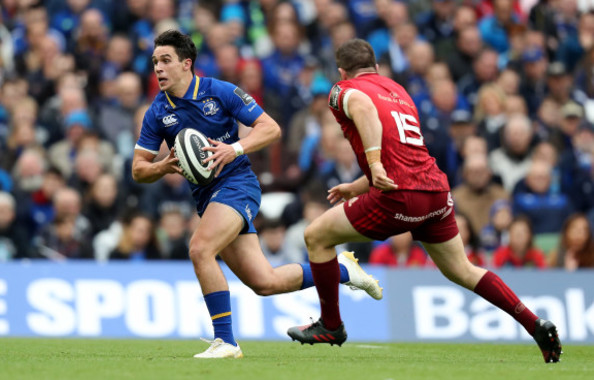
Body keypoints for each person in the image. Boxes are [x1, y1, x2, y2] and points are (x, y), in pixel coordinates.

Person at [286, 39, 562, 364]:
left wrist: (373, 166)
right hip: (435, 191)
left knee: (315, 236)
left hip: (399, 197)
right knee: (462, 269)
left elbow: (364, 111)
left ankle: (331, 325)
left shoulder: (342, 90)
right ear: (376, 67)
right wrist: (358, 185)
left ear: (342, 71)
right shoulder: (398, 92)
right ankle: (534, 324)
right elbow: (401, 154)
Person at [131, 30, 382, 359]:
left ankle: (226, 342)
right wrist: (164, 166)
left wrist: (233, 149)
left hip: (238, 184)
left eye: (166, 61)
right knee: (265, 282)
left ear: (186, 64)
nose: (158, 69)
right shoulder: (157, 112)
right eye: (154, 62)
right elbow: (138, 169)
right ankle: (346, 271)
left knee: (200, 248)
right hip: (208, 198)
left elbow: (271, 129)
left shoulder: (219, 91)